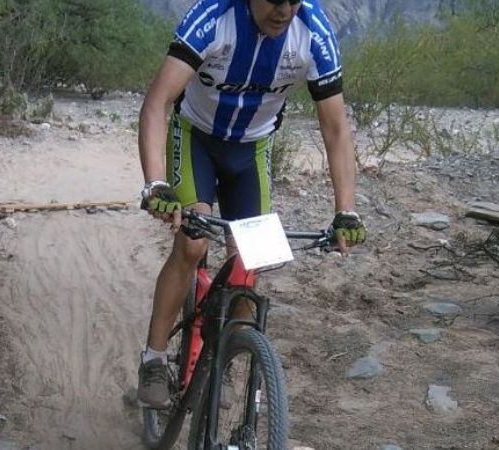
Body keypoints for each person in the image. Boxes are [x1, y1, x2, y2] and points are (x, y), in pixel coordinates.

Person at [136, 0, 367, 408]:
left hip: (252, 151)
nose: (284, 10)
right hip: (197, 141)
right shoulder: (213, 18)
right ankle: (154, 360)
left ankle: (222, 357)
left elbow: (335, 129)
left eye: (293, 1)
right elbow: (157, 103)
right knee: (193, 244)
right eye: (274, 0)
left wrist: (345, 210)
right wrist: (155, 184)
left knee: (251, 258)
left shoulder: (313, 31)